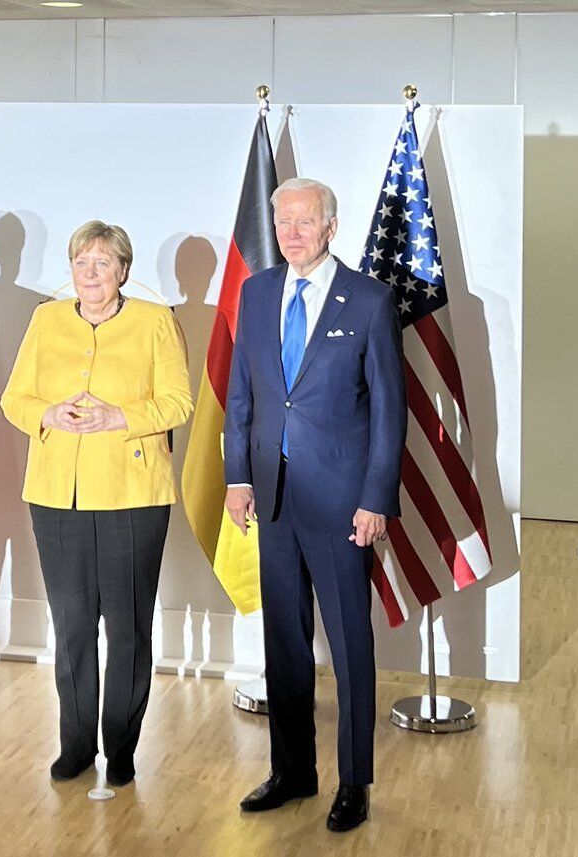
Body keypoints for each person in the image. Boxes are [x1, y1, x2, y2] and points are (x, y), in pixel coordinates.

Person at [224, 178, 406, 832]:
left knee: (350, 644)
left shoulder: (370, 300)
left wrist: (375, 497)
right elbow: (242, 393)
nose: (292, 234)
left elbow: (389, 410)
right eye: (283, 222)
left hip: (341, 501)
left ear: (330, 226)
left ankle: (354, 781)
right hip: (271, 495)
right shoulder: (257, 291)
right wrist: (236, 477)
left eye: (305, 222)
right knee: (284, 641)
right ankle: (292, 772)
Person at [1, 221, 193, 787]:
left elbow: (179, 403)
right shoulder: (46, 320)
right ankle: (77, 744)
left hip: (133, 497)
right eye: (81, 262)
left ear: (123, 271)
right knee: (73, 626)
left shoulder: (156, 322)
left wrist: (120, 418)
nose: (90, 273)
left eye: (102, 263)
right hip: (56, 495)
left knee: (127, 629)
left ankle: (123, 747)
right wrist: (46, 413)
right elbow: (14, 398)